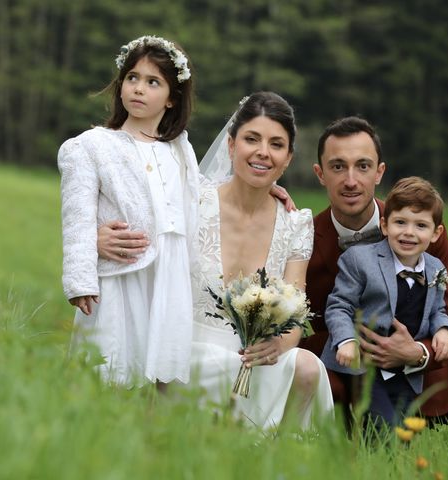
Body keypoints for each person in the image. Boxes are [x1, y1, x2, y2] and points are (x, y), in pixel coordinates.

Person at [303, 116, 448, 435]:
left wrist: (419, 351)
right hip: (348, 377)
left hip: (431, 374)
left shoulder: (418, 227)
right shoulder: (301, 238)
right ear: (320, 174)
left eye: (362, 166)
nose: (350, 180)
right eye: (337, 166)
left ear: (379, 172)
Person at [58, 35, 199, 387]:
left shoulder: (180, 151)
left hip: (168, 276)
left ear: (172, 99)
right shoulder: (92, 147)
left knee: (160, 373)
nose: (139, 89)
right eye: (132, 78)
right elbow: (76, 219)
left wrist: (265, 188)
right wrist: (81, 275)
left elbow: (204, 200)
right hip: (120, 277)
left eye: (153, 82)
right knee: (112, 365)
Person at [189, 92, 333, 430]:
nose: (263, 152)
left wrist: (276, 345)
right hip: (190, 351)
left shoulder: (295, 224)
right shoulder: (192, 202)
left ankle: (282, 460)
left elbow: (295, 313)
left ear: (288, 158)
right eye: (251, 139)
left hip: (253, 358)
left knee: (307, 365)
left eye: (276, 144)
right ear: (230, 145)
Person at [321, 176, 448, 426]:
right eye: (400, 222)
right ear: (385, 225)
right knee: (383, 426)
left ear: (436, 233)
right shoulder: (360, 260)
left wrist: (444, 330)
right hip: (362, 365)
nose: (408, 232)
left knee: (405, 431)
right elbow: (339, 305)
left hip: (404, 371)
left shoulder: (436, 268)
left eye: (420, 226)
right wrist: (346, 341)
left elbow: (437, 308)